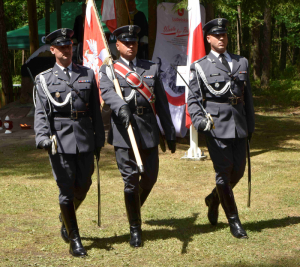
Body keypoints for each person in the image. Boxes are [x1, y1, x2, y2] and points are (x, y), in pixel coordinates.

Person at [99, 25, 176, 247]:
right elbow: (107, 92)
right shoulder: (109, 70)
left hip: (148, 130)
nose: (131, 46)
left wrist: (169, 132)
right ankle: (135, 227)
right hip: (125, 132)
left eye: (134, 42)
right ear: (118, 45)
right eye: (126, 43)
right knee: (130, 182)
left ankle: (133, 208)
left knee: (150, 177)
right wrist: (119, 105)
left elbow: (161, 102)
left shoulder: (151, 68)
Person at [34, 28, 105, 257]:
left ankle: (65, 215)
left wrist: (99, 138)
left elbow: (95, 109)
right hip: (60, 140)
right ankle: (75, 240)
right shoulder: (44, 79)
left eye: (69, 46)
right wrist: (42, 136)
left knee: (83, 185)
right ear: (52, 50)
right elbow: (41, 113)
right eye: (61, 47)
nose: (66, 50)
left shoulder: (86, 74)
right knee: (66, 190)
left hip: (84, 137)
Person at [187, 18, 255, 239]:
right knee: (224, 174)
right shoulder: (200, 66)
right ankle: (234, 221)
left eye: (224, 35)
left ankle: (213, 199)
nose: (221, 38)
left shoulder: (241, 62)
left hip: (239, 125)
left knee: (238, 171)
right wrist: (199, 121)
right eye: (216, 35)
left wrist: (251, 125)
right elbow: (194, 100)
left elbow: (248, 98)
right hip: (215, 126)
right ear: (208, 39)